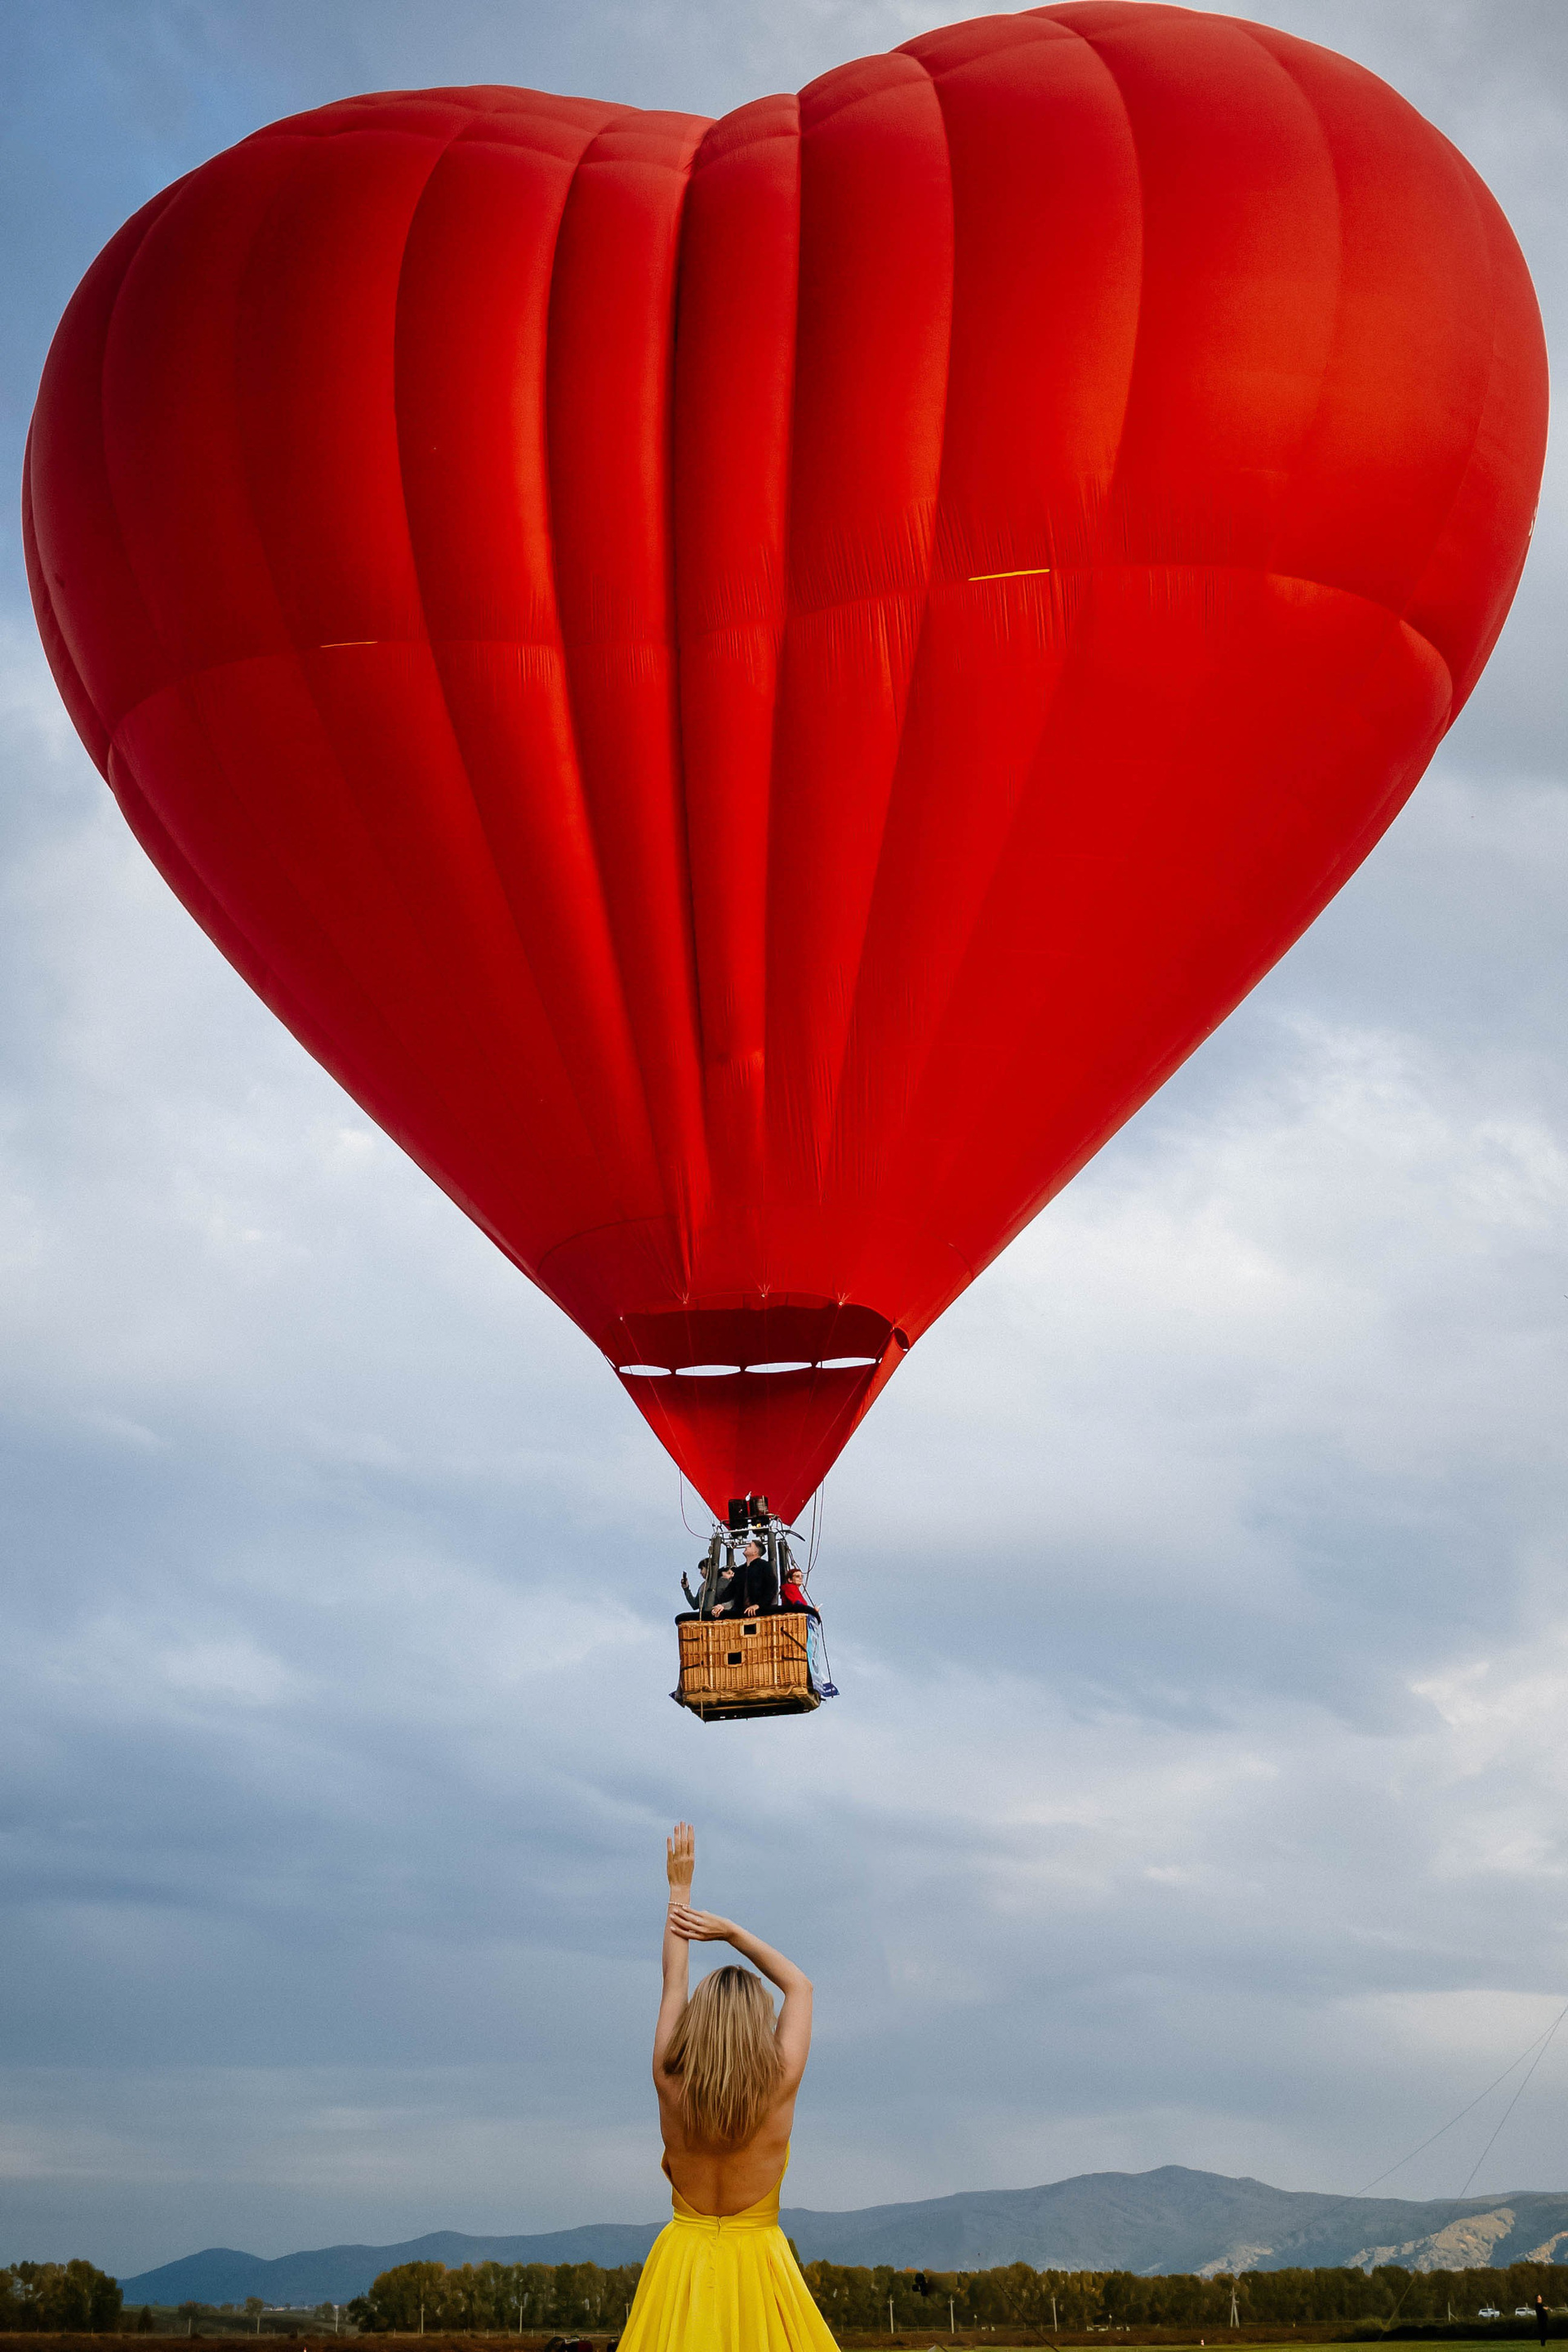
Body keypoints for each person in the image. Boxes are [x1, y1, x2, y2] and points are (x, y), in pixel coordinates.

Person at [615, 1823, 836, 2352]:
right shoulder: (779, 2084)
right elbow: (800, 1986)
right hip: (760, 2269)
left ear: (699, 2020)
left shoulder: (668, 2077)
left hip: (681, 2269)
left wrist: (679, 1892)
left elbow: (673, 1982)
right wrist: (731, 1932)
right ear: (759, 2025)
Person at [710, 1537, 776, 1617]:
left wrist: (758, 1605)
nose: (746, 1547)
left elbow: (771, 1588)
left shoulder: (764, 1566)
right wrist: (721, 1605)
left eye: (750, 1546)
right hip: (741, 1613)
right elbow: (730, 1591)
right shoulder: (740, 1570)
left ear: (755, 1552)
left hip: (759, 1613)